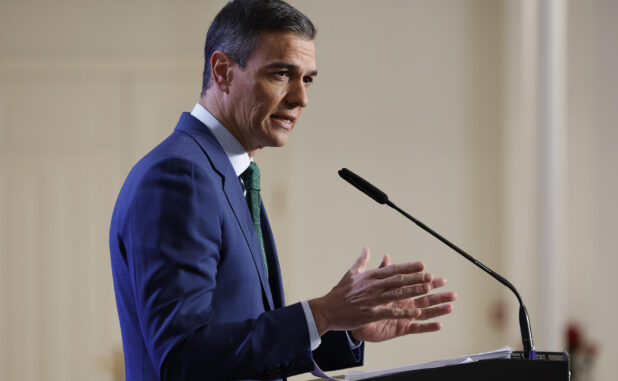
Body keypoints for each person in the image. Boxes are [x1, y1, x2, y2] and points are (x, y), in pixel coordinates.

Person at [109, 1, 457, 380]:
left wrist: (344, 327)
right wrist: (322, 313)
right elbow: (183, 357)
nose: (300, 98)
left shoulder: (228, 173)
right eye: (281, 74)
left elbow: (239, 342)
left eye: (307, 79)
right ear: (223, 71)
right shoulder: (181, 176)